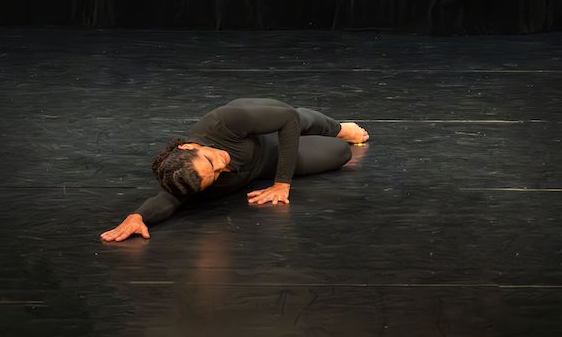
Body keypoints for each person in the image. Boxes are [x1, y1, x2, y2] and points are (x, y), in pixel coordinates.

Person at [100, 97, 369, 241]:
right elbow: (167, 200)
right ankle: (322, 137)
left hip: (262, 127)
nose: (221, 166)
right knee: (341, 154)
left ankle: (337, 126)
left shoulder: (223, 123)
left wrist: (282, 184)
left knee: (299, 118)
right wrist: (138, 217)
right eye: (214, 176)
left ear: (186, 147)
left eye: (210, 162)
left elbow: (286, 120)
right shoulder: (191, 179)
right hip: (267, 159)